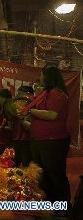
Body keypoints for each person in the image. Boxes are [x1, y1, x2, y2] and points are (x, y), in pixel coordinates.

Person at [20, 65, 72, 218]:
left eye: (42, 75)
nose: (40, 78)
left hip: (53, 141)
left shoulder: (57, 95)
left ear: (48, 77)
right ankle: (49, 206)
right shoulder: (44, 93)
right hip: (39, 140)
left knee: (55, 175)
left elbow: (51, 115)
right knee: (43, 176)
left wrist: (30, 111)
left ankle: (64, 207)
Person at [11, 86, 34, 167]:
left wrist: (20, 117)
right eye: (18, 94)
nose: (18, 96)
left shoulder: (33, 107)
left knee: (27, 166)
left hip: (27, 141)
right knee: (13, 166)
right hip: (16, 140)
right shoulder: (15, 106)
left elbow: (29, 126)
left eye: (20, 94)